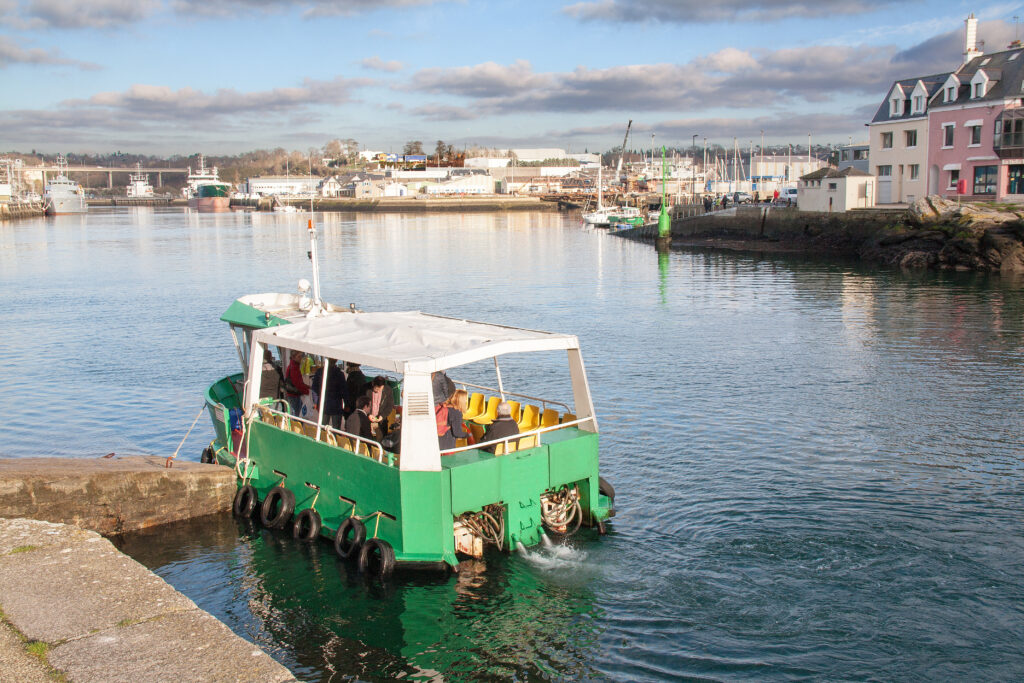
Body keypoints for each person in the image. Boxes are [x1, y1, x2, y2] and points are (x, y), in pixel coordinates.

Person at [312, 359, 347, 429]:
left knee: (323, 427)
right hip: (336, 405)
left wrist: (315, 402)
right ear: (336, 361)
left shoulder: (319, 372)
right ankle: (334, 439)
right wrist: (347, 403)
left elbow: (314, 388)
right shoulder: (339, 374)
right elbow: (344, 390)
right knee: (336, 429)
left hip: (324, 404)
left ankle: (323, 438)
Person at [284, 352, 309, 417]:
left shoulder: (292, 366)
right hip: (294, 393)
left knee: (296, 412)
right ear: (293, 357)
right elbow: (297, 383)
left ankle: (295, 425)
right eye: (299, 357)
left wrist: (306, 387)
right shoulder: (294, 367)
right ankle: (295, 426)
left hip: (293, 393)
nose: (300, 359)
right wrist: (306, 391)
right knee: (297, 414)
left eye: (301, 356)